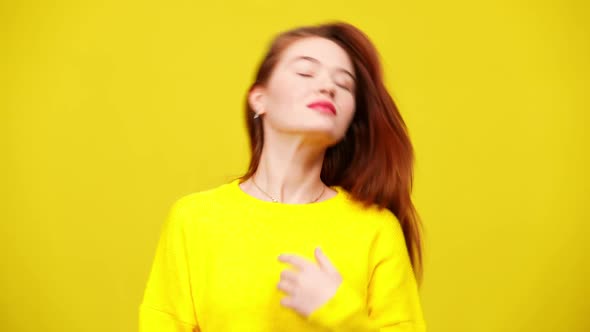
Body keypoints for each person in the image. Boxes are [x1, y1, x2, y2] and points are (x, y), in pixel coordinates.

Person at [139, 21, 426, 331]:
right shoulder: (194, 219)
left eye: (343, 84)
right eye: (305, 72)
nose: (327, 86)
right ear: (259, 98)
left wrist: (339, 313)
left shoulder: (376, 229)